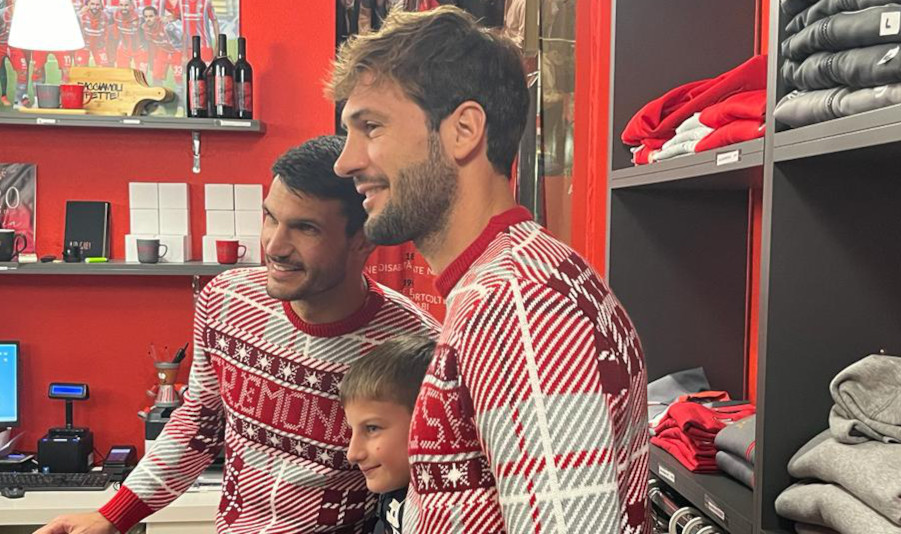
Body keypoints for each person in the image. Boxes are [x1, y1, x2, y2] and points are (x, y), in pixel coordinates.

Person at [331, 7, 650, 534]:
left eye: (371, 127)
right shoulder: (512, 279)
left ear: (463, 130)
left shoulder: (516, 303)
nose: (345, 162)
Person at [34, 136, 442, 534]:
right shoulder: (225, 300)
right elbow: (199, 424)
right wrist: (112, 516)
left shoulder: (416, 344)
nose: (275, 246)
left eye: (305, 228)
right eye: (270, 218)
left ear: (363, 240)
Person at [341, 335, 436, 534]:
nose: (352, 454)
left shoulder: (444, 512)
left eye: (372, 428)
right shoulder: (393, 489)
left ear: (428, 421)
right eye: (353, 430)